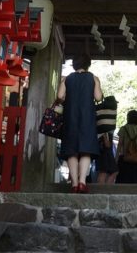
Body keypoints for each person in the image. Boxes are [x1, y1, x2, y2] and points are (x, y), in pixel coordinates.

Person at [57, 54, 103, 193]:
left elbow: (60, 96)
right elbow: (98, 97)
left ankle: (74, 184)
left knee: (71, 150)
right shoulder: (93, 78)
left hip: (70, 117)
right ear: (88, 64)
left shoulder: (67, 79)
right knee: (86, 150)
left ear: (74, 65)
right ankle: (82, 182)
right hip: (87, 118)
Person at [116, 110, 137, 184]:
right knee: (134, 180)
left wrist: (116, 157)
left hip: (124, 158)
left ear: (128, 118)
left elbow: (120, 144)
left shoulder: (123, 128)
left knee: (122, 179)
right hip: (136, 159)